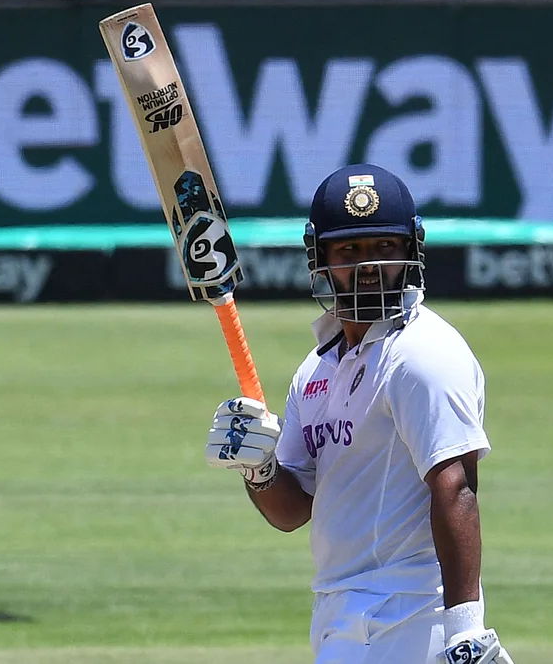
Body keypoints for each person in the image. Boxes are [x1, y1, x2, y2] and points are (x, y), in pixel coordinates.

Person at [204, 164, 514, 663]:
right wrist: (259, 470)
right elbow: (293, 510)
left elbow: (454, 484)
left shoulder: (422, 353)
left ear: (411, 252)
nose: (369, 267)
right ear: (319, 257)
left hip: (409, 612)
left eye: (384, 248)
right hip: (339, 610)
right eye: (351, 250)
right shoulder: (317, 367)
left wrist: (466, 630)